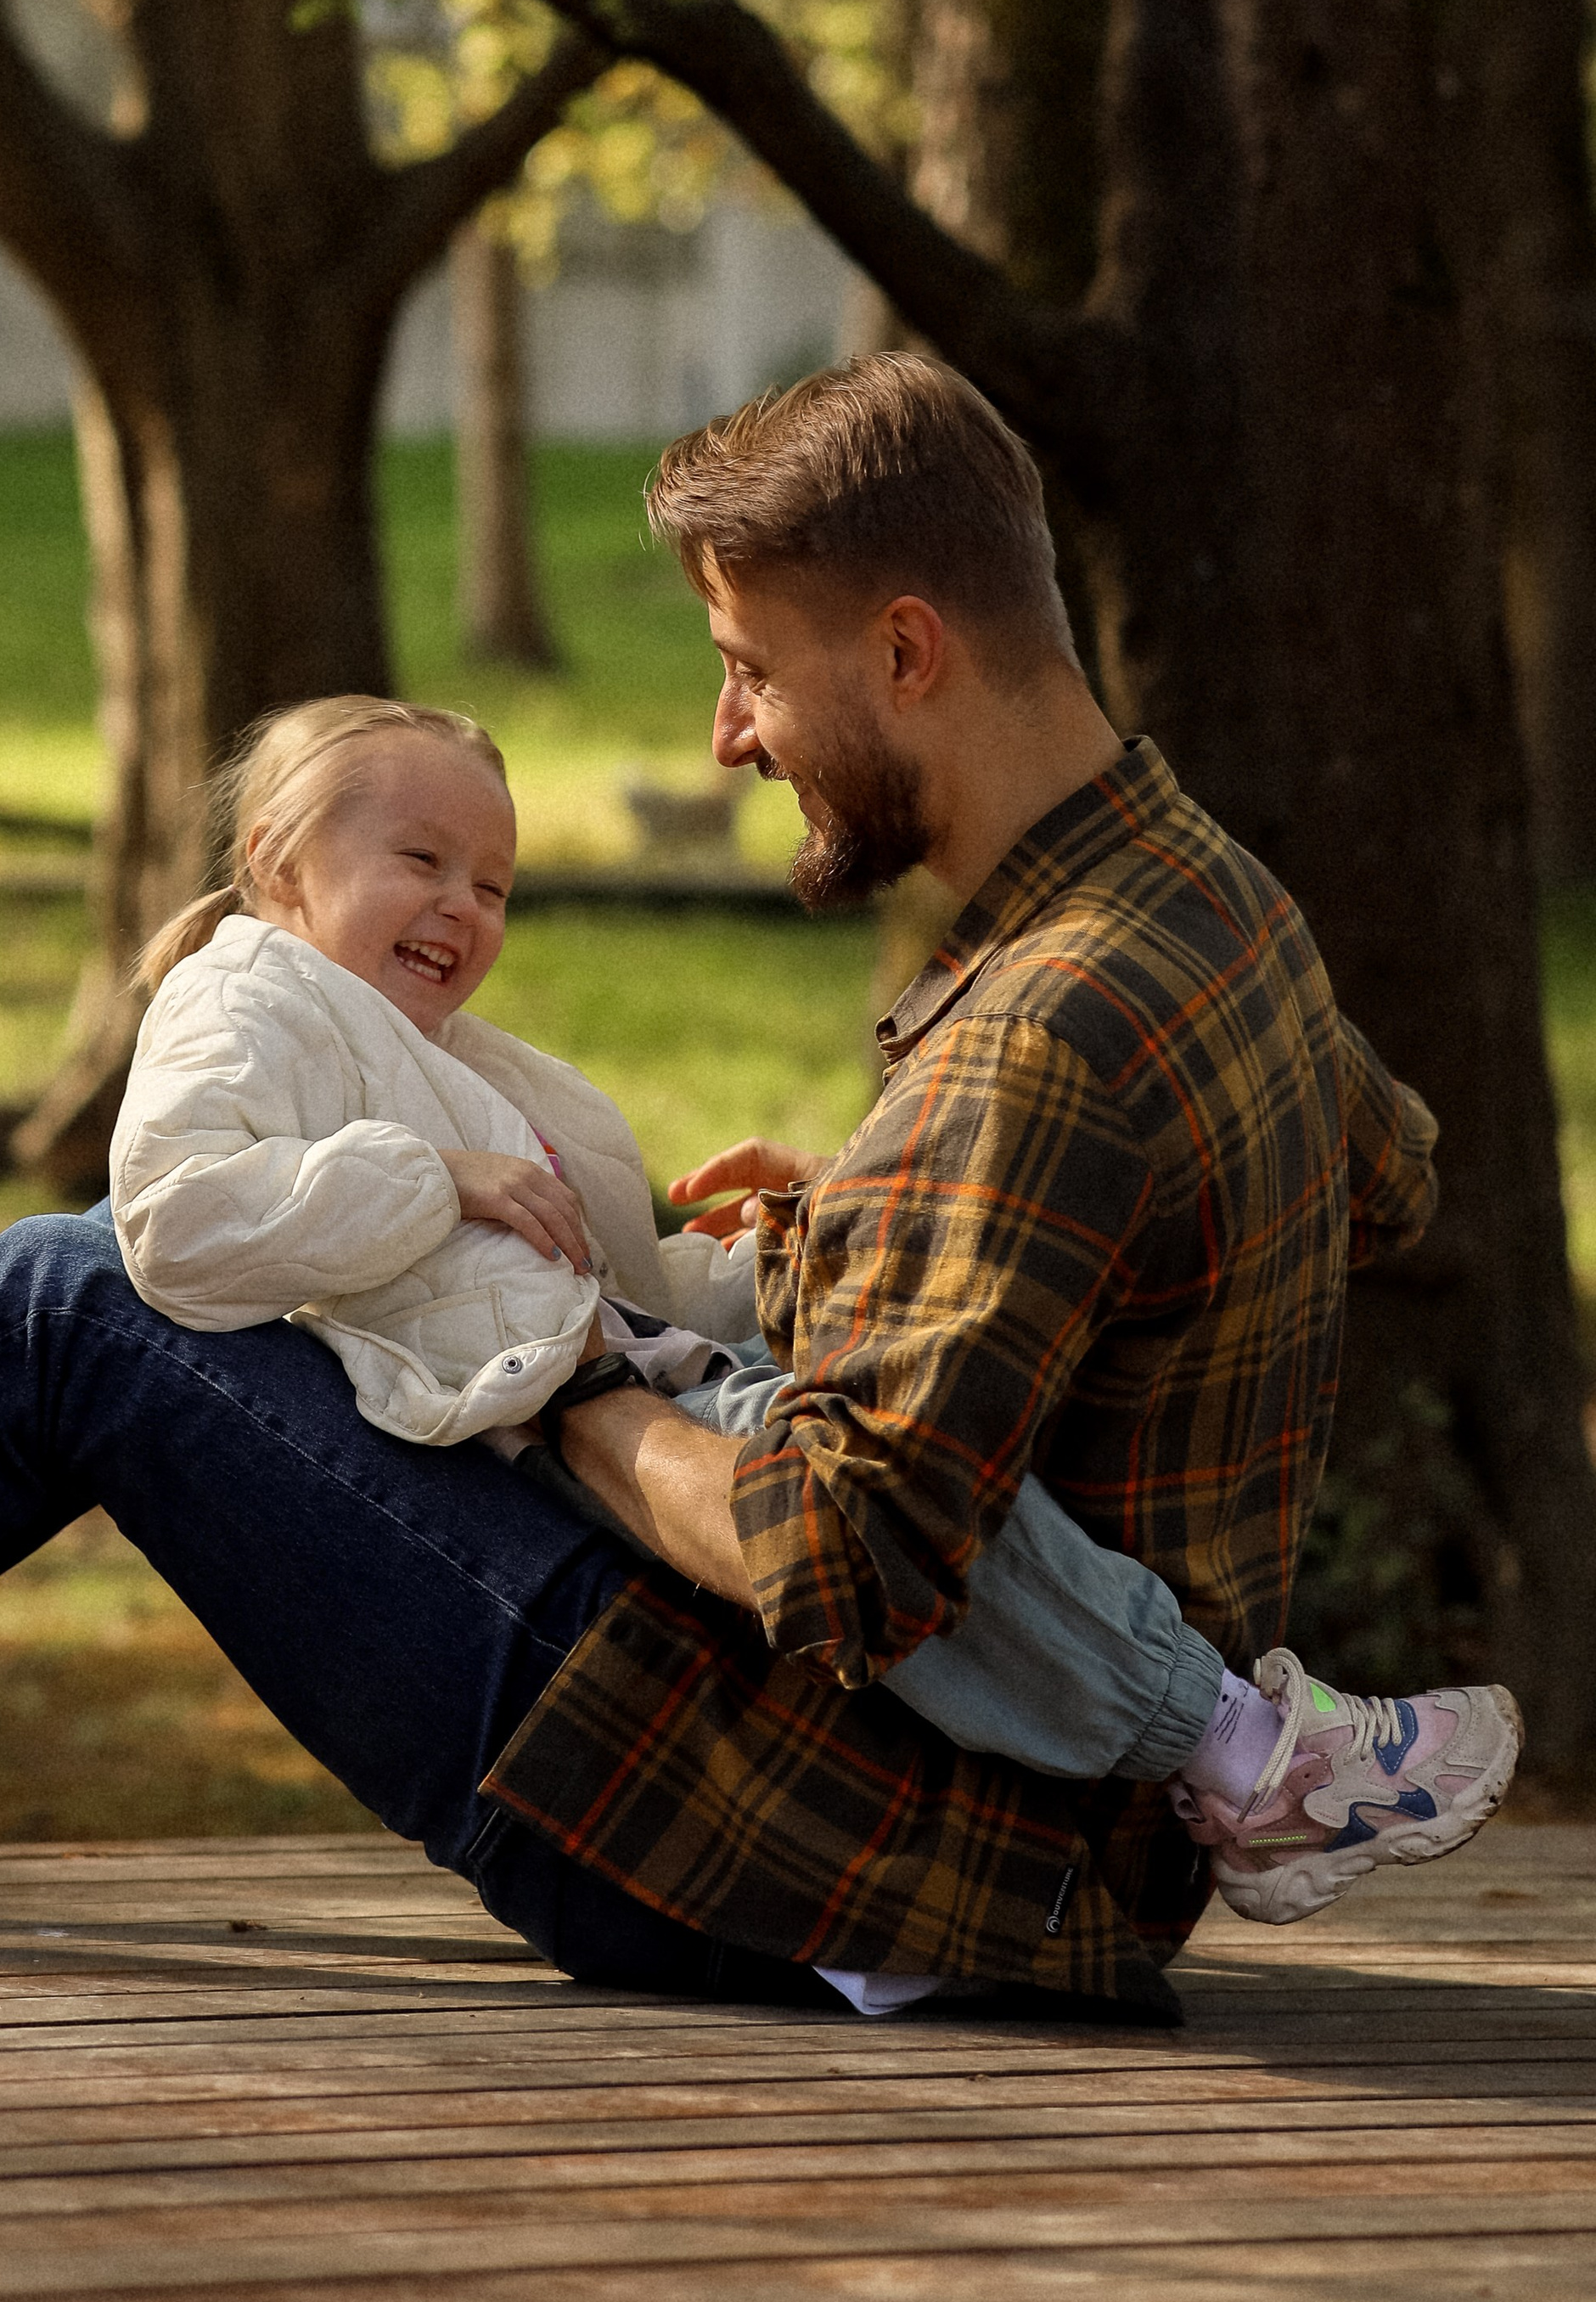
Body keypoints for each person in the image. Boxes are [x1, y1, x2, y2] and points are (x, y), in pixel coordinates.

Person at [0, 359, 1521, 2023]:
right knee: (96, 1286)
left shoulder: (1037, 1036)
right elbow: (1379, 1176)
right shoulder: (1214, 908)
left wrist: (564, 1375)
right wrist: (884, 1224)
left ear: (904, 650)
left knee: (67, 1308)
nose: (725, 736)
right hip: (1037, 1832)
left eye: (747, 667)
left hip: (829, 1847)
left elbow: (838, 1560)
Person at [107, 686, 1498, 1979]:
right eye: (421, 860)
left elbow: (626, 1281)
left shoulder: (459, 1058)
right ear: (278, 859)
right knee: (888, 1505)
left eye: (494, 886)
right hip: (524, 1410)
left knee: (918, 1466)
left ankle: (1224, 1753)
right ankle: (1244, 1752)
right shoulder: (244, 997)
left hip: (620, 1363)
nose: (461, 907)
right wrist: (434, 1177)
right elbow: (171, 1224)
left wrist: (804, 1241)